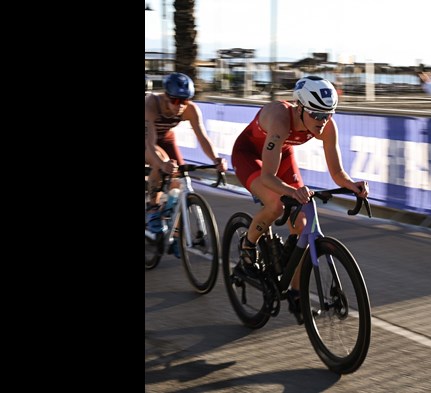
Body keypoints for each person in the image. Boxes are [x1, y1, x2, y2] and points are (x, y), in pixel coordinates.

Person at [230, 76, 369, 324]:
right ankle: (248, 245)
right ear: (300, 107)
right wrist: (292, 191)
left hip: (281, 154)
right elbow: (268, 177)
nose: (323, 121)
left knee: (304, 226)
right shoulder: (280, 119)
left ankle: (296, 293)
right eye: (316, 114)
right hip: (249, 155)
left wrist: (352, 185)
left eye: (329, 114)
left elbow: (337, 173)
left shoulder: (327, 126)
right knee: (276, 204)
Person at [145, 72, 227, 234]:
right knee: (161, 161)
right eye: (175, 100)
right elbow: (150, 143)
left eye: (185, 100)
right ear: (166, 96)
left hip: (166, 137)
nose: (180, 106)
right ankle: (153, 210)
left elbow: (203, 138)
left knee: (180, 177)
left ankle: (176, 234)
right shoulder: (151, 104)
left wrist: (216, 159)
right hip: (148, 138)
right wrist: (162, 164)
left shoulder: (190, 110)